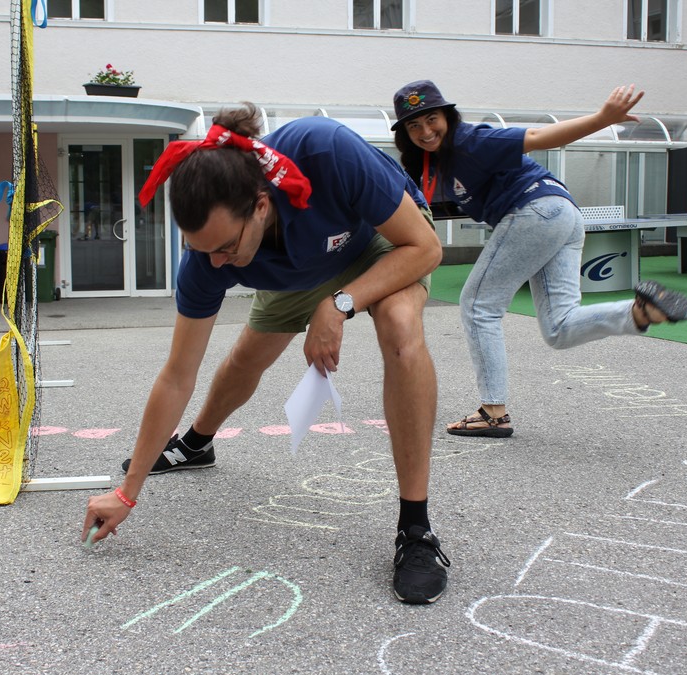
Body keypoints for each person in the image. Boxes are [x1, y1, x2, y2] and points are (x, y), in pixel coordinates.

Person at [83, 103, 452, 605]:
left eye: (224, 247)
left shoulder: (325, 151)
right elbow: (176, 376)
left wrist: (340, 304)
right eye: (200, 249)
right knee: (246, 357)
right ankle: (197, 443)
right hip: (300, 267)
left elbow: (427, 248)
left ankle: (416, 530)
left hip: (382, 241)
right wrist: (127, 492)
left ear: (260, 205)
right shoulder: (207, 261)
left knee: (399, 326)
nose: (215, 263)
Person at [391, 80, 687, 438]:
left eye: (432, 119)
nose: (425, 131)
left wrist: (603, 118)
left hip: (536, 210)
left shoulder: (473, 140)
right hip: (561, 214)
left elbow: (538, 136)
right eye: (414, 125)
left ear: (448, 117)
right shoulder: (434, 165)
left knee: (477, 305)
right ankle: (638, 311)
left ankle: (493, 412)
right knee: (559, 329)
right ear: (405, 133)